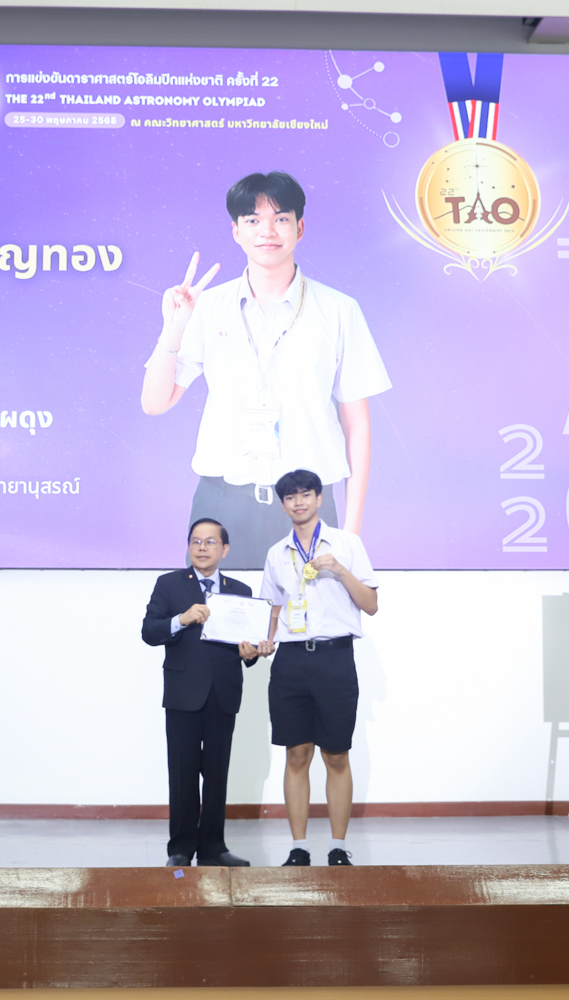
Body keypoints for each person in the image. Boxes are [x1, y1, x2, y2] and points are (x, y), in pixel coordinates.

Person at [140, 171, 392, 570]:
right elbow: (154, 403)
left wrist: (352, 532)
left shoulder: (339, 311)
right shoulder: (206, 307)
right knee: (213, 611)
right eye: (253, 220)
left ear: (299, 228)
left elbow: (357, 424)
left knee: (307, 612)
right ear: (236, 231)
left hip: (307, 507)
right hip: (220, 504)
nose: (267, 231)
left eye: (280, 218)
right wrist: (173, 328)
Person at [259, 468, 378, 866]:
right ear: (283, 505)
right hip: (291, 660)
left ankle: (338, 846)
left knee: (336, 755)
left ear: (319, 498)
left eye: (305, 494)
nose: (299, 502)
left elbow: (371, 605)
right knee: (296, 753)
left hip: (334, 657)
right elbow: (272, 609)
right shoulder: (277, 552)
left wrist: (339, 569)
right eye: (291, 497)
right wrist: (263, 641)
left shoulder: (347, 544)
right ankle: (299, 847)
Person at [141, 519, 266, 867]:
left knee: (216, 773)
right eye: (195, 541)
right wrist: (180, 620)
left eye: (210, 542)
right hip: (183, 693)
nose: (201, 547)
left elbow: (247, 646)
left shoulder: (239, 590)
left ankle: (213, 847)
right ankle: (180, 848)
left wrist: (251, 653)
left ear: (224, 550)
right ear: (188, 547)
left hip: (223, 692)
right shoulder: (169, 584)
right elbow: (149, 631)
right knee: (182, 772)